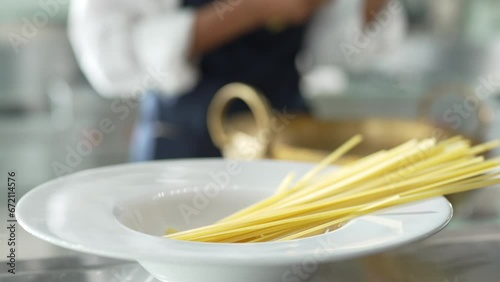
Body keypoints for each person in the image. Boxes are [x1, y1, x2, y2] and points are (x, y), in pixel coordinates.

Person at [68, 0, 405, 161]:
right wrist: (254, 9)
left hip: (290, 140)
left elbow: (337, 49)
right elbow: (109, 57)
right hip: (183, 148)